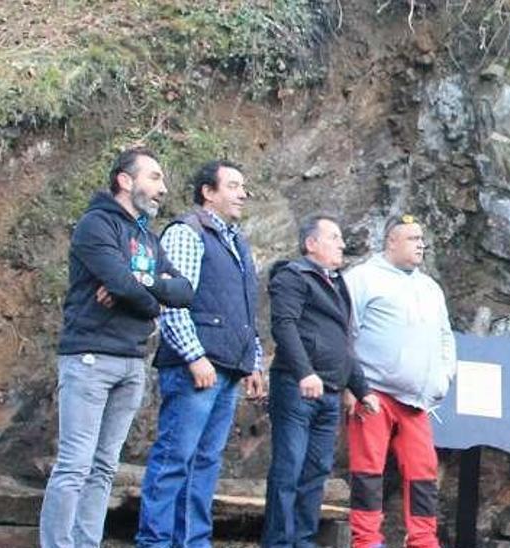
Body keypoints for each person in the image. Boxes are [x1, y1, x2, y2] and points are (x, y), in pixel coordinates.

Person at [40, 147, 194, 548]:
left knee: (105, 467)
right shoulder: (96, 226)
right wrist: (146, 295)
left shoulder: (146, 235)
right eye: (155, 177)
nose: (163, 187)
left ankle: (86, 542)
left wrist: (141, 286)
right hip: (90, 358)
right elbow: (124, 284)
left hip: (132, 362)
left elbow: (183, 290)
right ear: (125, 181)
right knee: (75, 464)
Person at [136, 160, 267, 547]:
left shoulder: (238, 242)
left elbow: (245, 308)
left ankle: (193, 542)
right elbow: (174, 301)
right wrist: (195, 356)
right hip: (196, 367)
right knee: (175, 459)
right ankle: (155, 542)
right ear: (208, 192)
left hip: (228, 367)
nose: (242, 193)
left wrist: (253, 362)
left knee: (206, 464)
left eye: (243, 186)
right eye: (234, 186)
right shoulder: (187, 231)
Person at [263, 214, 380, 547]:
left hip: (330, 393)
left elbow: (343, 342)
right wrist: (304, 373)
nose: (342, 244)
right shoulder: (293, 275)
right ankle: (279, 542)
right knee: (289, 468)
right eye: (334, 237)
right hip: (297, 388)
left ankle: (303, 541)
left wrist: (362, 389)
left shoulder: (336, 283)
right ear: (311, 244)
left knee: (315, 472)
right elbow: (284, 326)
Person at [343, 214, 457, 548]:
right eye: (412, 239)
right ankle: (366, 540)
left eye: (422, 239)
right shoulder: (363, 278)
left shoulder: (429, 286)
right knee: (367, 469)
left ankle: (422, 539)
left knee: (423, 471)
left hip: (418, 399)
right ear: (391, 241)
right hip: (373, 391)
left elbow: (445, 337)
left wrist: (443, 376)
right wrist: (351, 385)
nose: (420, 244)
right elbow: (345, 333)